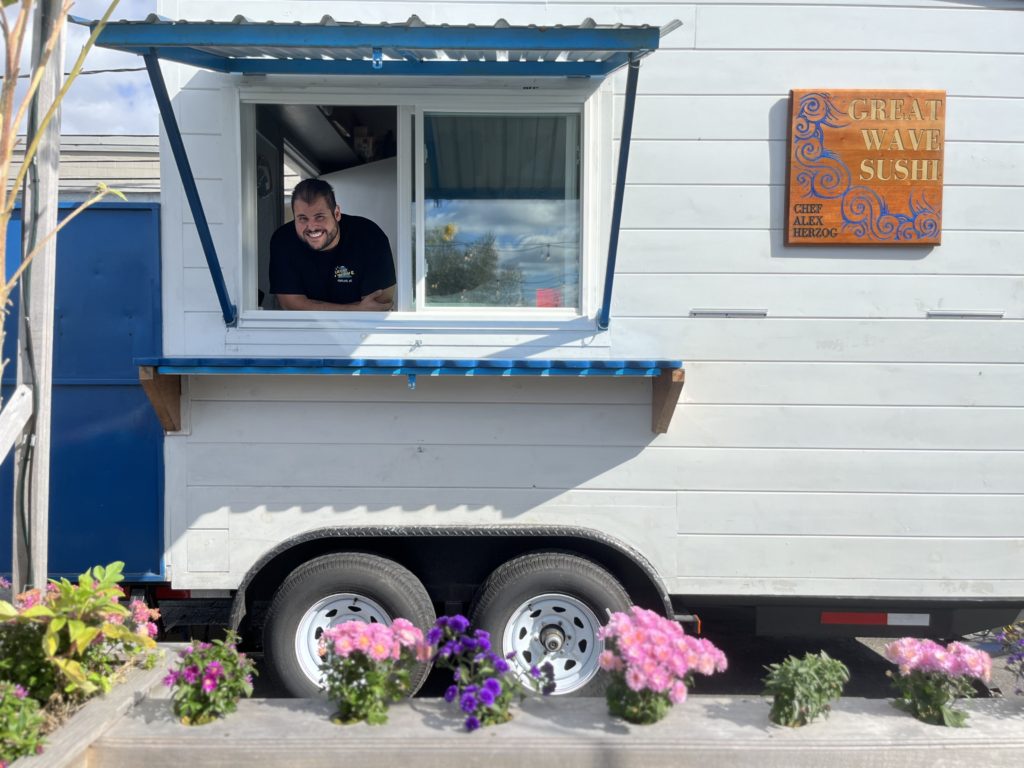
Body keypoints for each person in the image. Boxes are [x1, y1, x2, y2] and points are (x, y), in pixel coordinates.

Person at [269, 178, 396, 311]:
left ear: (336, 213)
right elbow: (291, 304)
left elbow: (378, 305)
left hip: (362, 331)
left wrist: (312, 307)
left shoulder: (369, 236)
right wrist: (355, 310)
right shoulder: (283, 240)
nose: (311, 227)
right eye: (302, 219)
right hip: (304, 329)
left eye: (319, 217)